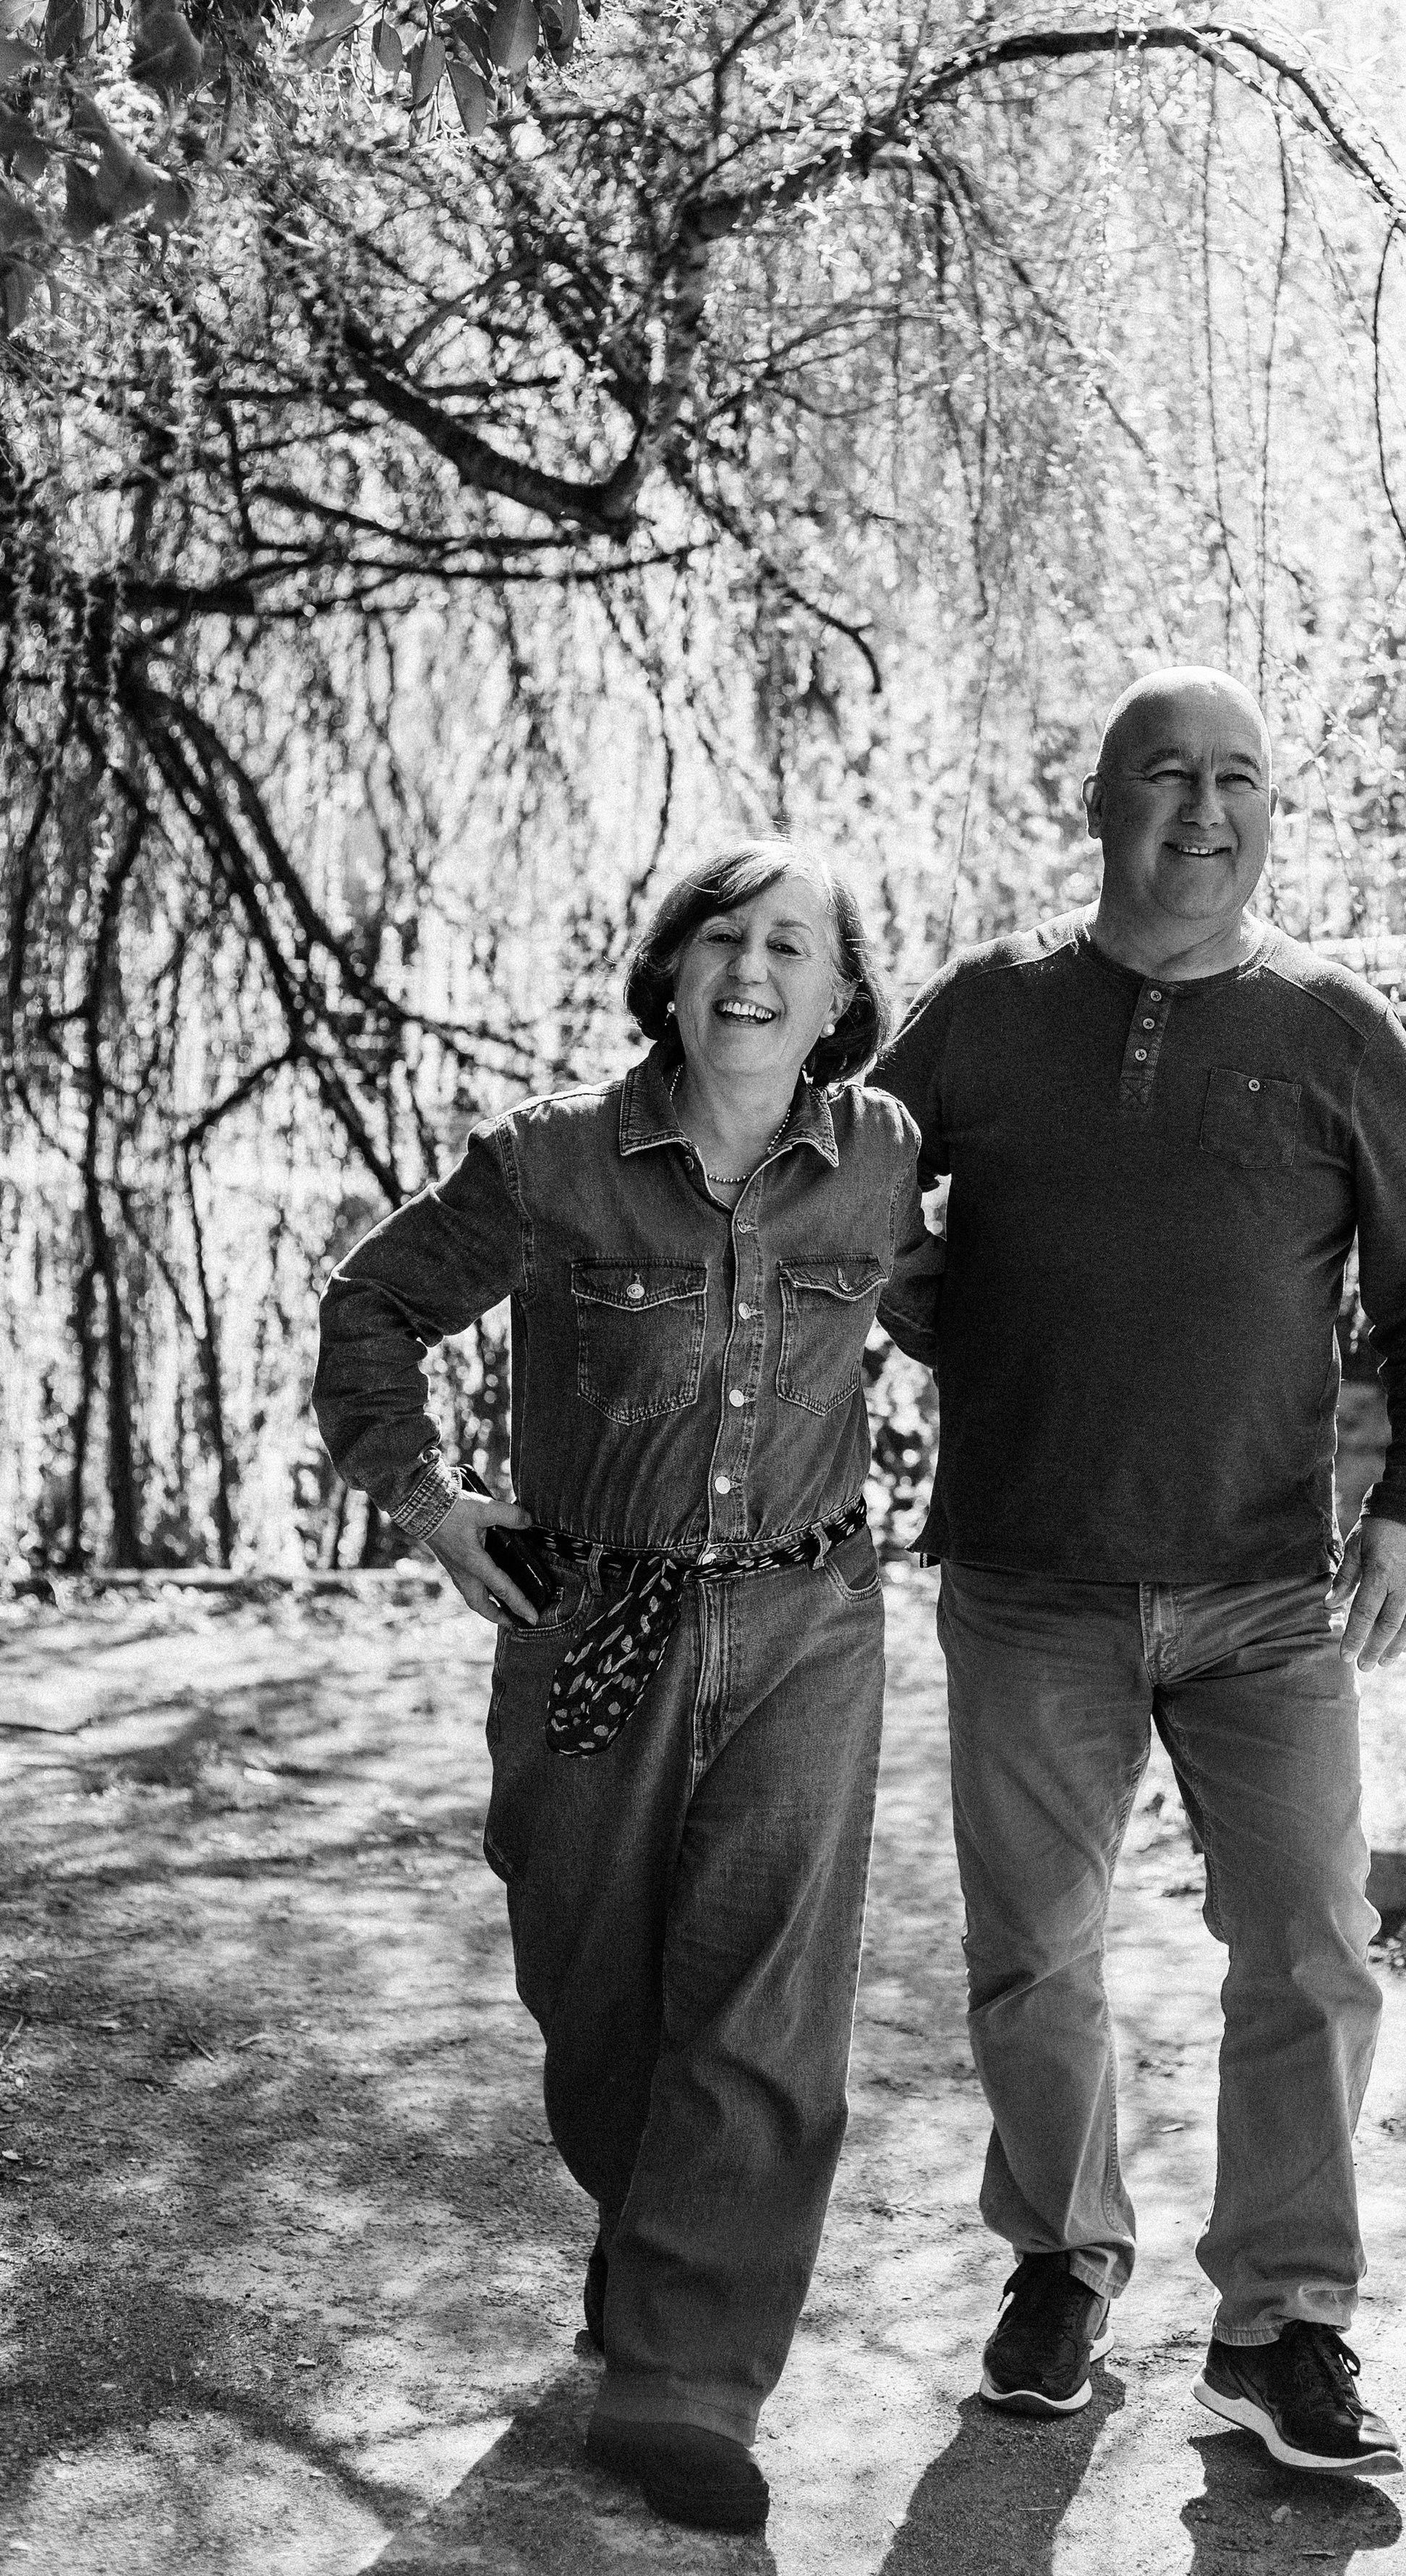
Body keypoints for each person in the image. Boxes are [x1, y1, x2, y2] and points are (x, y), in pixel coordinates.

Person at [874, 667, 1406, 2475]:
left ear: (1269, 810)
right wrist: (934, 1312)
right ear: (1096, 801)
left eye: (1237, 779)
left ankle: (1278, 2326)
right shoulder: (980, 1015)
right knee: (1032, 1951)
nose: (1201, 811)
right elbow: (842, 1198)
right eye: (1165, 775)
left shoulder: (1328, 1028)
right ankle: (1061, 2266)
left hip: (1259, 1589)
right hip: (1026, 1573)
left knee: (1307, 1946)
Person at [313, 842, 940, 2535]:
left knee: (763, 2003)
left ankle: (685, 2381)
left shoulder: (879, 1161)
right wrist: (435, 1509)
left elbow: (972, 1316)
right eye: (720, 940)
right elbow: (370, 1308)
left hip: (808, 1621)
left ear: (837, 1002)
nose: (751, 971)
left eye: (790, 949)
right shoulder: (550, 1166)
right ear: (667, 974)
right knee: (593, 1982)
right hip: (590, 1619)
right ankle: (653, 2247)